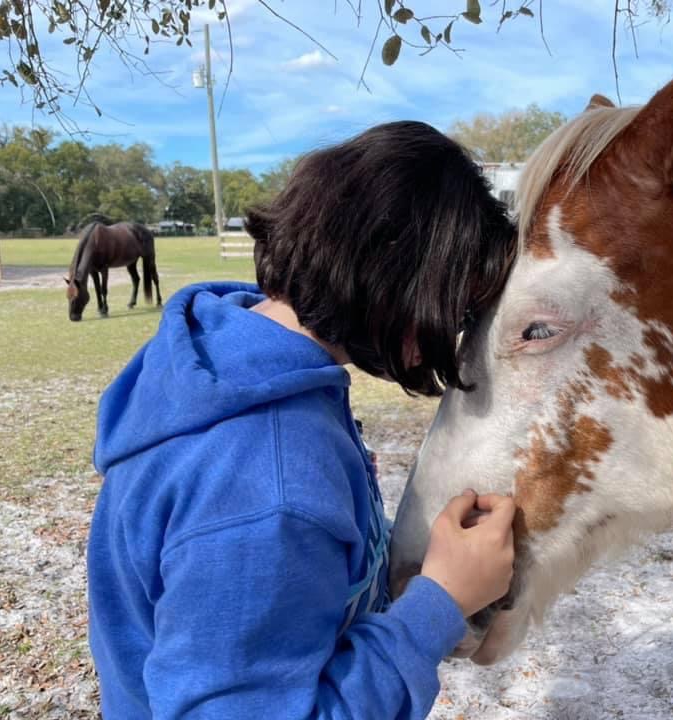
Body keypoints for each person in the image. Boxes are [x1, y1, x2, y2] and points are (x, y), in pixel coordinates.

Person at [87, 120, 519, 719]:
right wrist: (441, 604)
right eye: (461, 305)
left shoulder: (240, 364)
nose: (457, 330)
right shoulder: (268, 479)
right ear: (399, 272)